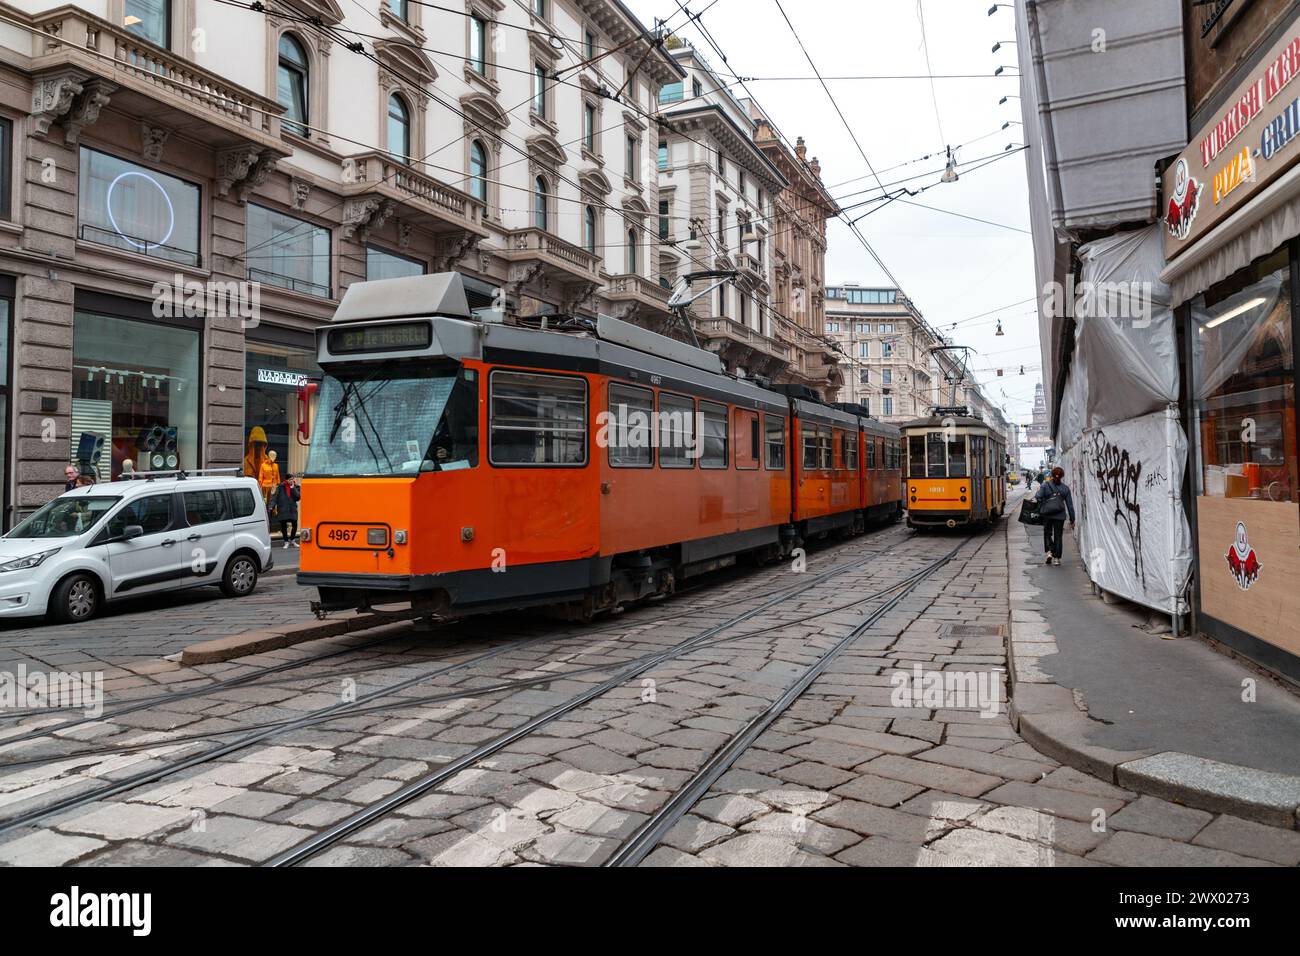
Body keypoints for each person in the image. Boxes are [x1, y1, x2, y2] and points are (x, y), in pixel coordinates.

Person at [1035, 466, 1076, 565]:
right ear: (1062, 476)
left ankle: (1049, 552)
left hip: (1047, 514)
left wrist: (1039, 492)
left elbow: (1038, 496)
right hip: (1060, 516)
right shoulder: (1065, 488)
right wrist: (1072, 519)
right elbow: (1070, 505)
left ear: (1052, 475)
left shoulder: (1045, 485)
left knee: (1047, 533)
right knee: (1058, 536)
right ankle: (1057, 559)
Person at [271, 473, 300, 548]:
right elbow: (275, 497)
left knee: (294, 524)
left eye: (292, 479)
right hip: (283, 509)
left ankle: (292, 540)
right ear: (286, 480)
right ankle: (286, 541)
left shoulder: (296, 486)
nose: (291, 481)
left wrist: (292, 488)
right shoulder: (280, 487)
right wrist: (271, 506)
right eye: (290, 479)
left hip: (292, 509)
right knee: (283, 526)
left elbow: (298, 497)